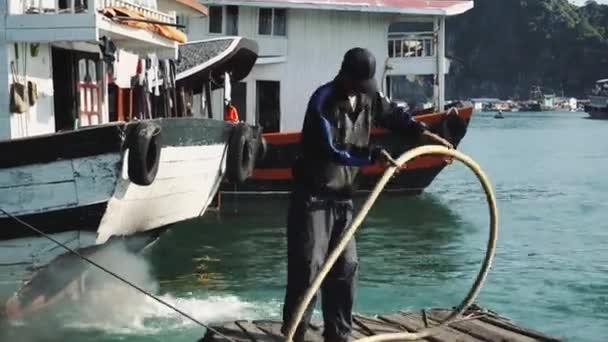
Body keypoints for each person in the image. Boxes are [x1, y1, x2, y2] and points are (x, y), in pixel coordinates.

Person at [281, 47, 453, 342]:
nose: (363, 91)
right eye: (358, 84)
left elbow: (395, 116)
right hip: (313, 199)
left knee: (346, 269)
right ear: (344, 75)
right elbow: (331, 148)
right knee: (308, 269)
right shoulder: (321, 102)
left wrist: (422, 132)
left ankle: (339, 335)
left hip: (344, 198)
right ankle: (294, 333)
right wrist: (372, 156)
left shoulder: (368, 97)